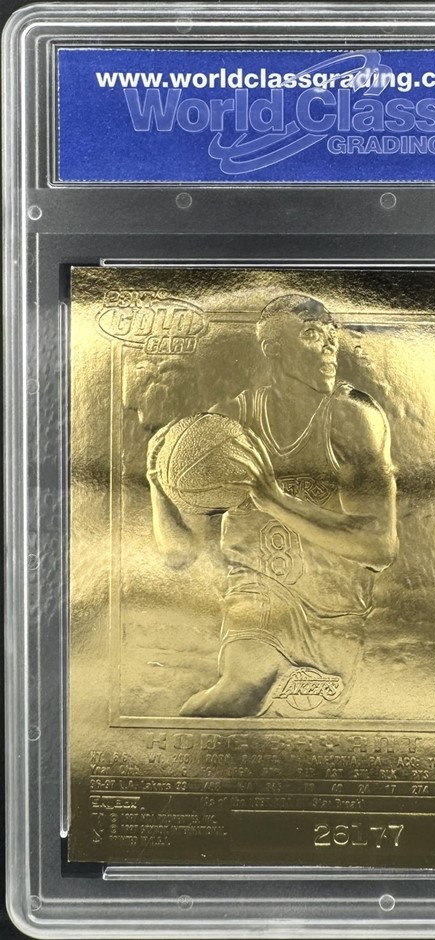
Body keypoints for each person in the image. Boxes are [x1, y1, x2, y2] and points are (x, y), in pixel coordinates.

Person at [147, 294, 398, 717]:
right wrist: (158, 482)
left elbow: (379, 547)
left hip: (334, 607)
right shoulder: (226, 426)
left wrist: (275, 501)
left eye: (332, 334)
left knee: (309, 729)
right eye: (311, 334)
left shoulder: (353, 417)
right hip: (257, 594)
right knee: (237, 691)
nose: (329, 345)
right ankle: (176, 743)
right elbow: (179, 554)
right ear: (274, 348)